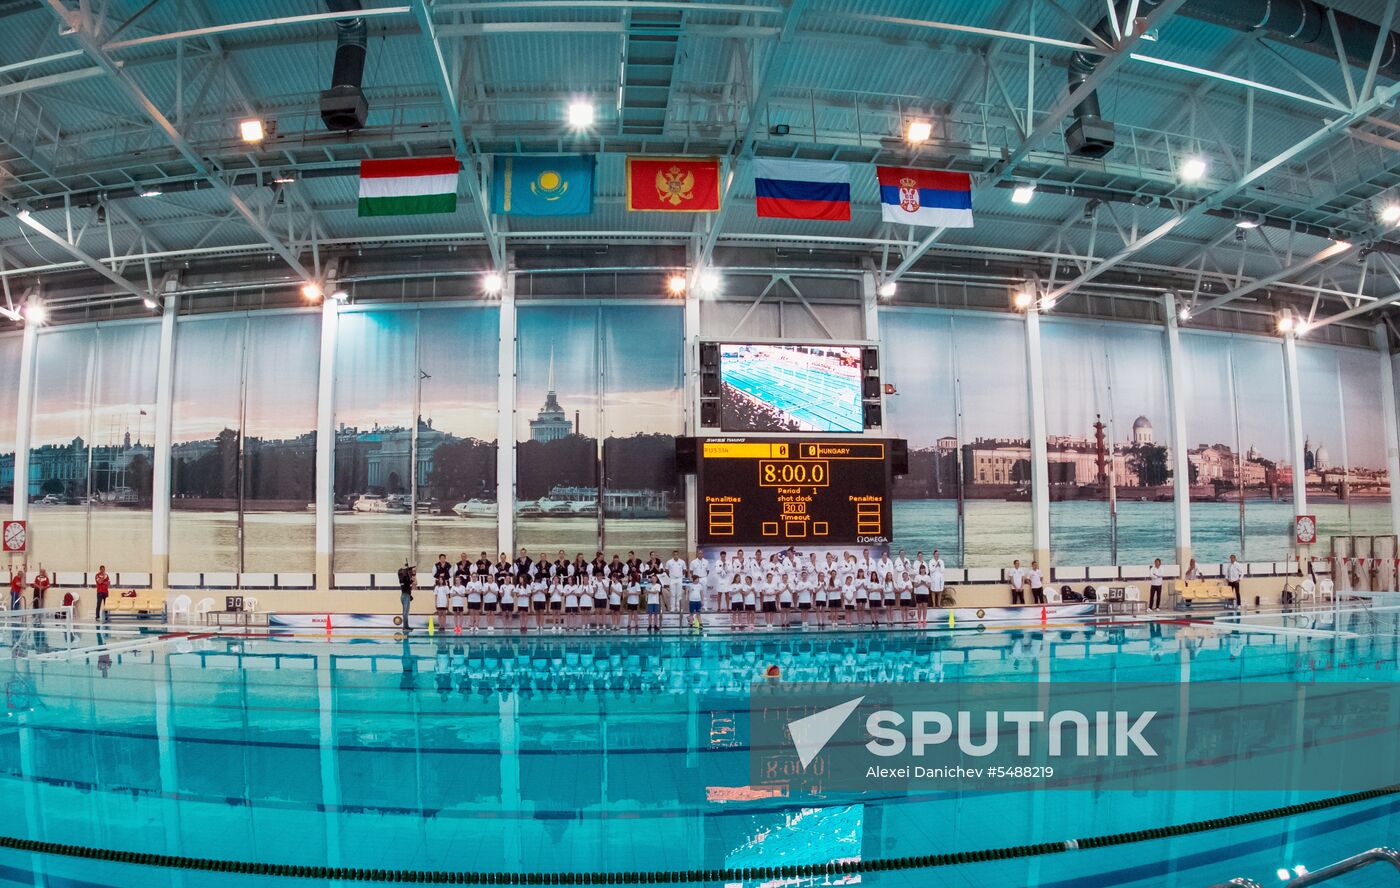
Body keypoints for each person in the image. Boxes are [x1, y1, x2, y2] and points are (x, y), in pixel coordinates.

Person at [397, 561, 416, 631]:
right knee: (405, 612)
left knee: (405, 612)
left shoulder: (403, 580)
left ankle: (406, 626)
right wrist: (412, 573)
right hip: (405, 596)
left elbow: (412, 583)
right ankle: (405, 627)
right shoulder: (406, 580)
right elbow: (413, 582)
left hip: (403, 596)